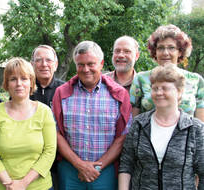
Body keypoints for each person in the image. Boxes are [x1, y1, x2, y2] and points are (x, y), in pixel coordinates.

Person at [52, 41, 132, 190]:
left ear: (101, 64)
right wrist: (79, 164)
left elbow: (123, 136)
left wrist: (97, 167)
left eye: (91, 64)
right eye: (80, 65)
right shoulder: (62, 93)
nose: (85, 69)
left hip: (105, 170)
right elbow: (56, 133)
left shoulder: (119, 94)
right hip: (70, 169)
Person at [119, 64, 204, 189]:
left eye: (165, 88)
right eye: (155, 88)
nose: (159, 93)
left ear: (179, 92)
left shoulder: (195, 129)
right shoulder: (138, 124)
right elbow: (126, 165)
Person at [0, 57, 56, 190]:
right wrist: (9, 184)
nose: (19, 83)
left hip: (39, 186)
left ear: (31, 82)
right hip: (2, 186)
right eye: (13, 79)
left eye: (24, 78)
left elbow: (50, 151)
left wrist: (23, 184)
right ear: (6, 83)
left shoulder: (44, 112)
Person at [130, 24, 204, 120]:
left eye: (171, 48)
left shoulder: (196, 80)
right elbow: (132, 121)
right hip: (149, 134)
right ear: (155, 52)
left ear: (180, 51)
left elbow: (201, 125)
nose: (165, 53)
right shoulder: (141, 79)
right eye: (160, 48)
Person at [30, 45, 64, 190]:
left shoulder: (65, 90)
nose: (44, 64)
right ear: (32, 65)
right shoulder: (24, 90)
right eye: (39, 60)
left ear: (55, 64)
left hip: (59, 161)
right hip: (30, 162)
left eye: (48, 60)